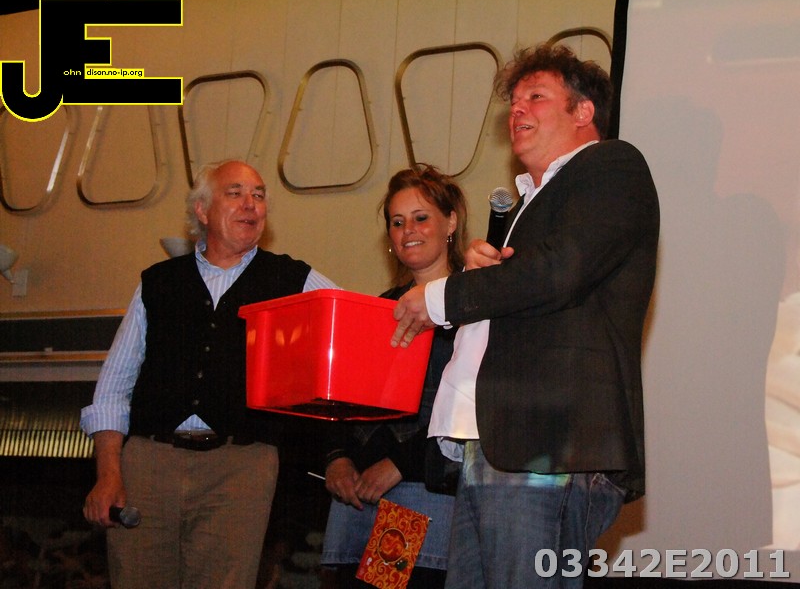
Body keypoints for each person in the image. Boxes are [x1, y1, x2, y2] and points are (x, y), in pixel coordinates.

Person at [391, 43, 660, 588]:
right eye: (513, 101)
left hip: (548, 444)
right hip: (493, 444)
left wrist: (444, 296)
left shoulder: (611, 164)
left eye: (535, 97)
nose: (517, 110)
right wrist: (485, 276)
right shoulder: (526, 205)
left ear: (583, 111)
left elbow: (560, 272)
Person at [80, 159, 337, 589]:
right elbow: (113, 387)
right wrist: (108, 472)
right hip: (148, 464)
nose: (251, 204)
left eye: (258, 195)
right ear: (201, 210)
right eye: (235, 193)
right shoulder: (158, 282)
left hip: (242, 465)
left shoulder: (292, 278)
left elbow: (353, 324)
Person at [320, 165, 468, 588]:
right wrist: (338, 458)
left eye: (421, 218)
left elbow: (473, 410)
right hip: (357, 499)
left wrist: (402, 464)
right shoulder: (377, 308)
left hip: (420, 495)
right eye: (397, 222)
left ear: (451, 222)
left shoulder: (472, 309)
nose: (408, 231)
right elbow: (343, 399)